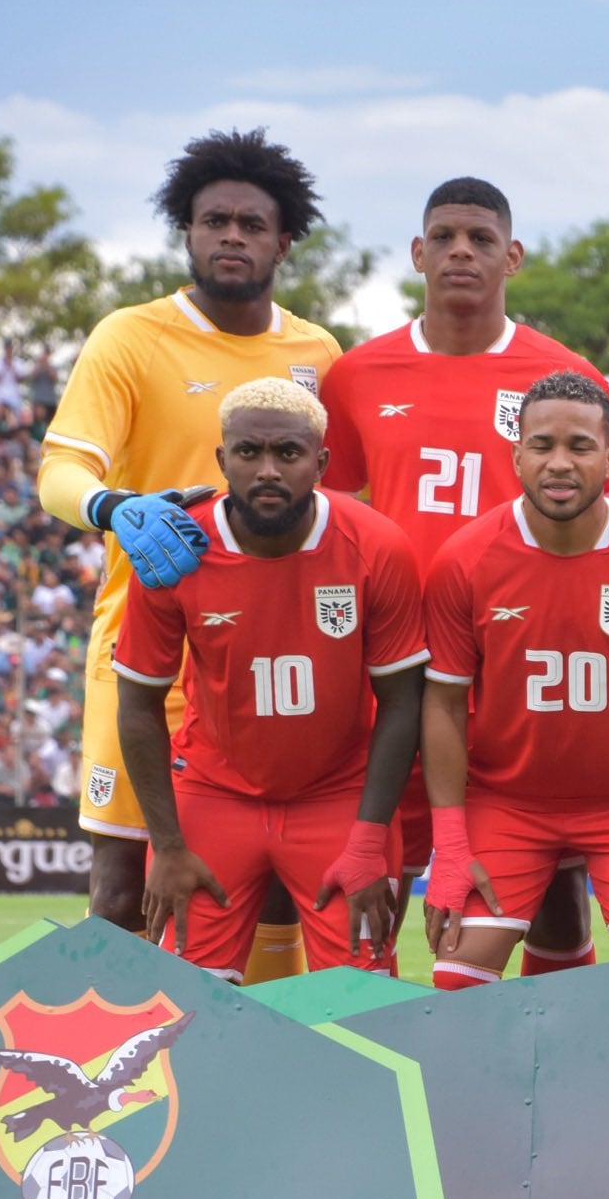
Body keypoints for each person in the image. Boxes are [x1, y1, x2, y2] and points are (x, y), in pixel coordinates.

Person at [37, 129, 340, 977]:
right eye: (214, 221)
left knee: (274, 883)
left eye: (251, 223)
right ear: (188, 232)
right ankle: (104, 1092)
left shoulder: (317, 354)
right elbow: (60, 467)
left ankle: (267, 1077)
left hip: (269, 657)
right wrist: (114, 507)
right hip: (146, 651)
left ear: (284, 241)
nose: (231, 236)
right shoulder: (129, 339)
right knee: (123, 882)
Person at [322, 176, 609, 977]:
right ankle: (379, 1065)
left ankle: (549, 1080)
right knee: (376, 875)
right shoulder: (358, 374)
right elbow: (335, 524)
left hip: (512, 672)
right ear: (418, 253)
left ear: (514, 256)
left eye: (482, 239)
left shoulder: (565, 375)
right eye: (446, 237)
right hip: (391, 669)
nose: (463, 251)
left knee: (552, 891)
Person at [111, 380, 425, 980]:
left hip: (338, 797)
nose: (267, 470)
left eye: (288, 453)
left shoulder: (377, 546)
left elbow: (401, 703)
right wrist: (169, 847)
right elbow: (138, 704)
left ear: (321, 463)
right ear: (222, 459)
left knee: (362, 1000)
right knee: (185, 1000)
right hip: (213, 794)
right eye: (249, 452)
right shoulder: (174, 550)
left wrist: (366, 841)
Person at [420, 371, 609, 985]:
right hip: (508, 801)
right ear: (516, 454)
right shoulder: (464, 560)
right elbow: (442, 705)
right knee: (456, 979)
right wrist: (450, 846)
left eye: (579, 447)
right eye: (542, 445)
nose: (559, 463)